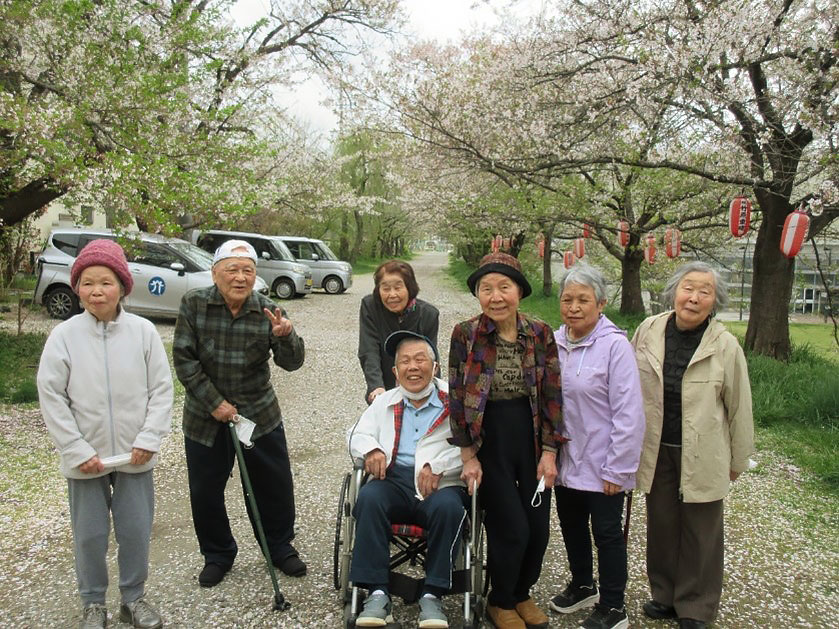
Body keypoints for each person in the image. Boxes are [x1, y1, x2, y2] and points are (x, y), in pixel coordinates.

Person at [37, 239, 173, 629]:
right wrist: (74, 447)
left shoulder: (144, 333)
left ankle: (134, 598)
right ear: (76, 287)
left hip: (135, 456)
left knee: (134, 532)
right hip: (86, 458)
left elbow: (161, 390)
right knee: (90, 536)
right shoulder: (63, 337)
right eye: (87, 283)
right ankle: (93, 603)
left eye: (106, 282)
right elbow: (51, 396)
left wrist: (149, 438)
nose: (97, 291)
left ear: (123, 286)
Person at [172, 239, 306, 588]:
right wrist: (214, 402)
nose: (240, 277)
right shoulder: (194, 304)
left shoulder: (268, 310)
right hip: (205, 416)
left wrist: (286, 336)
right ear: (215, 273)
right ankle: (217, 554)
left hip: (258, 413)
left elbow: (292, 364)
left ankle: (278, 546)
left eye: (248, 270)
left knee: (273, 484)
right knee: (205, 490)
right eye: (232, 269)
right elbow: (184, 361)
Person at [631, 261, 754, 629]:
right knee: (662, 524)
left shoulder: (725, 344)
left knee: (702, 531)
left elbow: (739, 406)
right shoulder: (649, 329)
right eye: (688, 288)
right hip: (656, 446)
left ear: (715, 301)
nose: (694, 297)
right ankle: (664, 595)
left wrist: (739, 457)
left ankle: (696, 606)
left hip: (704, 451)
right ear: (674, 291)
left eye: (705, 291)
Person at [448, 252, 562, 629]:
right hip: (488, 439)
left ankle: (521, 593)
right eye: (486, 289)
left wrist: (550, 451)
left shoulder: (541, 332)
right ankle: (499, 600)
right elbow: (456, 395)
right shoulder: (466, 334)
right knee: (511, 526)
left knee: (538, 527)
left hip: (529, 436)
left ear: (520, 292)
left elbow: (552, 395)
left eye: (504, 287)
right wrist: (468, 455)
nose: (495, 296)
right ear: (478, 295)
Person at [348, 330, 466, 629]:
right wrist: (372, 449)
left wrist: (439, 465)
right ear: (395, 371)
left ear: (435, 367)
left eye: (420, 360)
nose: (413, 367)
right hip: (394, 480)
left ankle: (433, 594)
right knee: (369, 498)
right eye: (405, 361)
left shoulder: (456, 402)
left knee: (450, 509)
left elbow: (475, 446)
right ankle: (376, 592)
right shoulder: (384, 401)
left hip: (442, 483)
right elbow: (356, 434)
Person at [548, 266, 644, 629]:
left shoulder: (615, 346)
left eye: (583, 300)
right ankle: (583, 584)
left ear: (601, 303)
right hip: (567, 458)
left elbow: (629, 412)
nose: (574, 307)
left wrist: (618, 468)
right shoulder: (554, 342)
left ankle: (614, 604)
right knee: (571, 525)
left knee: (607, 533)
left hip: (604, 462)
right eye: (567, 299)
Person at [358, 260, 439, 404]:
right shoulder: (370, 307)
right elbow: (369, 349)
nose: (392, 295)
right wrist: (376, 386)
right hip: (384, 387)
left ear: (409, 287)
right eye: (386, 288)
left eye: (398, 287)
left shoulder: (429, 314)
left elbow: (431, 358)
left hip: (419, 389)